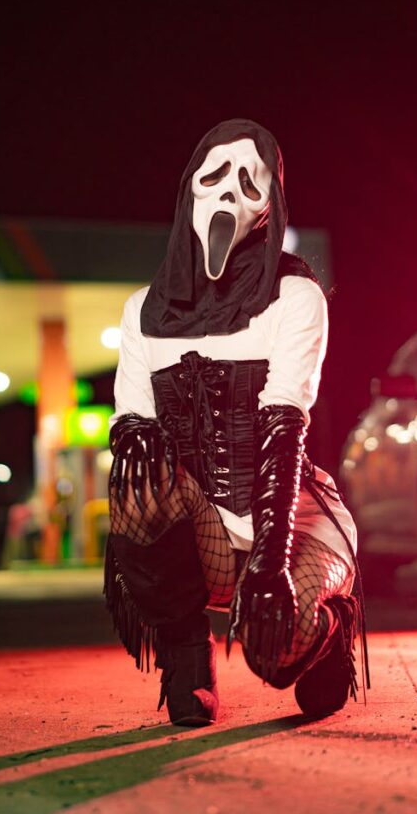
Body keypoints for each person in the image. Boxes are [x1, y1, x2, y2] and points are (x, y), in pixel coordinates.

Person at [105, 119, 365, 727]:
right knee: (137, 475)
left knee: (274, 657)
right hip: (206, 534)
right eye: (214, 174)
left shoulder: (296, 297)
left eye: (252, 181)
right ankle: (187, 660)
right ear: (188, 190)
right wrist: (135, 437)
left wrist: (271, 568)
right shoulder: (141, 313)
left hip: (293, 521)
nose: (229, 192)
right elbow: (131, 417)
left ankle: (331, 630)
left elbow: (283, 433)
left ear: (269, 208)